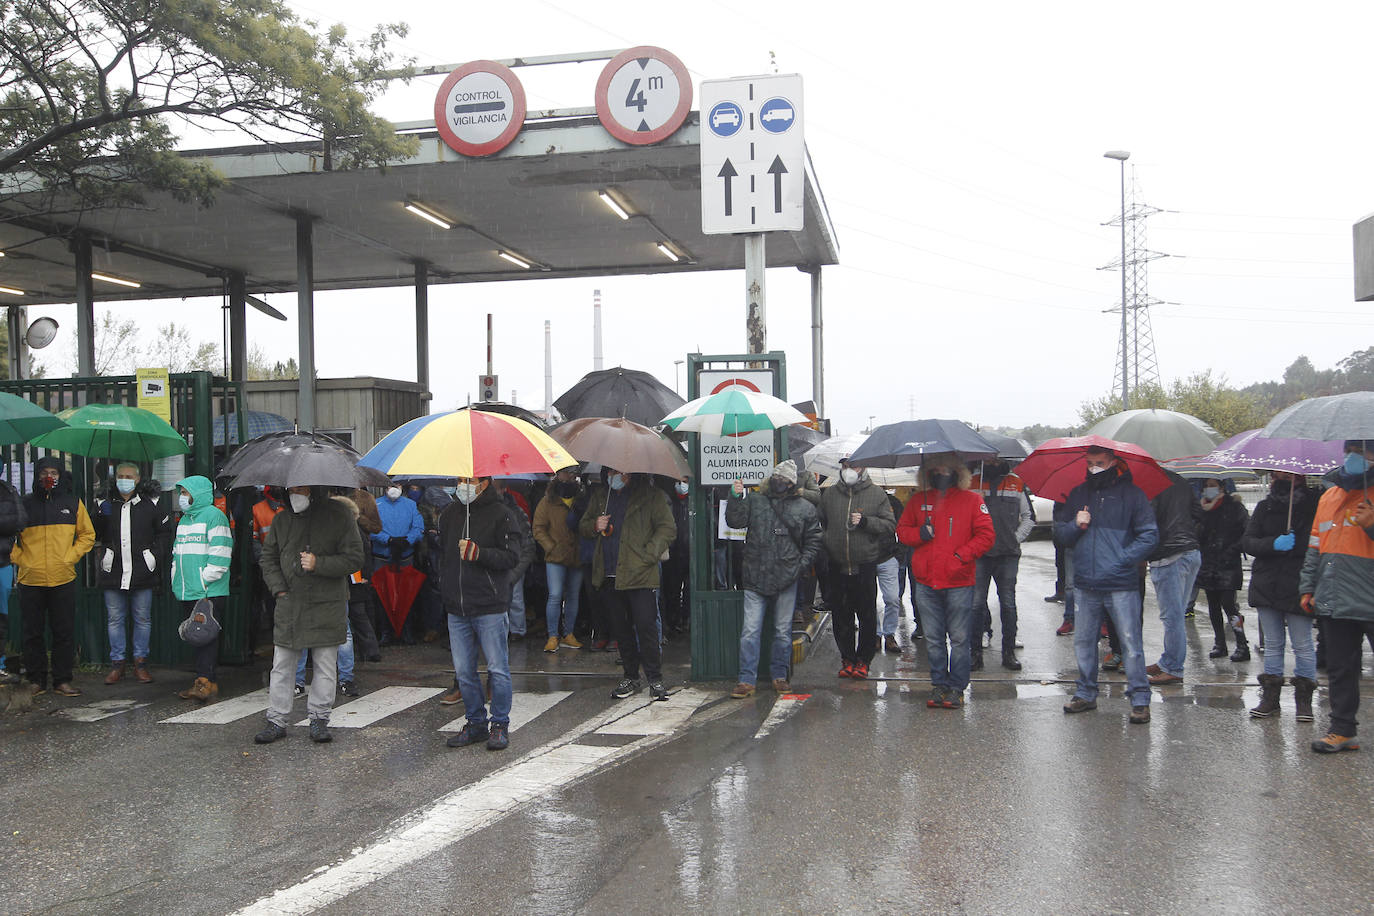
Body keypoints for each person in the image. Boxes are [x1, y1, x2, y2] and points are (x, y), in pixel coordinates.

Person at [1056, 446, 1159, 724]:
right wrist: (1076, 525)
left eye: (1099, 463)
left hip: (1120, 583)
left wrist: (1122, 560)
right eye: (1089, 463)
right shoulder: (1079, 494)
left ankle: (1140, 699)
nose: (1093, 468)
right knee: (1084, 641)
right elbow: (1061, 533)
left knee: (1130, 644)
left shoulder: (1133, 496)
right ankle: (1086, 694)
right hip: (1086, 583)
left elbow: (1150, 536)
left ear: (1114, 462)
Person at [255, 484, 364, 745]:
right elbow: (268, 558)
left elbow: (355, 558)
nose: (296, 493)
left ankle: (319, 718)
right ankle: (277, 720)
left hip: (327, 602)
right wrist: (279, 589)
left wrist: (319, 564)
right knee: (282, 665)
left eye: (301, 488)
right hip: (291, 602)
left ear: (314, 488)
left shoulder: (339, 515)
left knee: (325, 665)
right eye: (292, 487)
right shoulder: (282, 519)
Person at [898, 454, 995, 709]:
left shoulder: (973, 500)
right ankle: (939, 684)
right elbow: (902, 531)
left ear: (957, 471)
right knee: (933, 638)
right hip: (926, 582)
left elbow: (986, 536)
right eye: (936, 468)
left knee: (960, 639)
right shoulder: (918, 500)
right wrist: (919, 533)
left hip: (959, 581)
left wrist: (960, 556)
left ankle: (957, 687)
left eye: (946, 468)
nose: (941, 472)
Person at [724, 460, 822, 697]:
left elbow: (814, 539)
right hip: (756, 576)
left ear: (792, 484)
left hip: (786, 578)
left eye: (786, 480)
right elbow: (734, 521)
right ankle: (747, 679)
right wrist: (734, 497)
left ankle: (779, 676)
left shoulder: (804, 508)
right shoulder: (756, 500)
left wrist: (800, 566)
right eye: (778, 478)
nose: (781, 483)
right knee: (750, 631)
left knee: (781, 631)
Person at [439, 475, 522, 751]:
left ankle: (499, 724)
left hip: (489, 604)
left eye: (469, 480)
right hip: (457, 606)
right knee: (464, 672)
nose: (463, 485)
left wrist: (480, 553)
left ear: (484, 482)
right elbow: (443, 555)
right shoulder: (450, 514)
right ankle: (475, 722)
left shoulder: (503, 514)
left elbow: (512, 557)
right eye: (461, 479)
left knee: (497, 669)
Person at [1301, 440, 1374, 753]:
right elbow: (1315, 545)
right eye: (1350, 450)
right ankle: (1342, 730)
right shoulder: (1330, 495)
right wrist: (1307, 586)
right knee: (1341, 667)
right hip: (1335, 595)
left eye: (1363, 451)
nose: (1354, 457)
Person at [580, 466, 677, 700]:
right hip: (609, 574)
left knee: (646, 627)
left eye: (620, 471)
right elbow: (583, 526)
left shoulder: (651, 496)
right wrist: (595, 525)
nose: (615, 476)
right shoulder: (601, 496)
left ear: (631, 472)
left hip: (641, 575)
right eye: (611, 471)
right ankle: (631, 676)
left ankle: (655, 679)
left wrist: (649, 554)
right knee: (621, 630)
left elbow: (668, 528)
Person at [11, 457, 95, 697]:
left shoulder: (72, 503)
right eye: (45, 472)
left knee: (64, 632)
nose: (49, 476)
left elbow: (87, 535)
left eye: (54, 472)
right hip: (30, 579)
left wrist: (70, 557)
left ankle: (62, 680)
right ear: (37, 475)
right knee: (32, 633)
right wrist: (21, 559)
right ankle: (35, 679)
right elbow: (6, 537)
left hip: (63, 577)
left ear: (60, 475)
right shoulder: (24, 504)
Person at [1243, 471, 1320, 720]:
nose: (1282, 476)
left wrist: (1296, 545)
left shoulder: (1314, 506)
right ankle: (1270, 699)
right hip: (1267, 584)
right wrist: (1273, 544)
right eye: (1278, 473)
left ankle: (1304, 702)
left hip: (1299, 585)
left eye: (1288, 474)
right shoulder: (1265, 507)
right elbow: (1247, 542)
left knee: (1303, 645)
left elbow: (1317, 544)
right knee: (1273, 644)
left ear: (1300, 476)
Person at [817, 459, 896, 679]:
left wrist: (866, 522)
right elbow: (819, 521)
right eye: (844, 466)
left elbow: (889, 525)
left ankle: (863, 661)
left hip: (865, 565)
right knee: (841, 616)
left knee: (867, 615)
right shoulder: (830, 495)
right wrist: (827, 540)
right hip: (837, 564)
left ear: (863, 468)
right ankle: (847, 659)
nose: (849, 470)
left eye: (854, 466)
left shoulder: (877, 494)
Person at [94, 463, 172, 685]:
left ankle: (140, 663)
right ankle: (117, 664)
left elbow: (164, 533)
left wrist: (153, 556)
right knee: (115, 619)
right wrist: (101, 515)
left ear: (137, 480)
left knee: (142, 618)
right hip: (114, 571)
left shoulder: (151, 504)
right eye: (120, 476)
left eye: (128, 476)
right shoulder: (105, 503)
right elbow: (94, 532)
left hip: (142, 570)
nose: (124, 480)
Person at [170, 475, 232, 702]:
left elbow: (221, 554)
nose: (182, 497)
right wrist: (177, 577)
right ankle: (206, 682)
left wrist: (204, 581)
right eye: (182, 493)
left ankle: (204, 682)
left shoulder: (215, 516)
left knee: (206, 637)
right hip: (189, 589)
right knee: (198, 637)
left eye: (186, 493)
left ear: (199, 494)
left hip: (208, 591)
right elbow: (177, 553)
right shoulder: (185, 520)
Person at [967, 457, 1033, 671]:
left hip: (1008, 554)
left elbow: (1029, 517)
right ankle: (975, 653)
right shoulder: (972, 483)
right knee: (975, 605)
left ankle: (1008, 652)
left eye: (997, 458)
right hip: (980, 555)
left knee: (1008, 604)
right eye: (989, 458)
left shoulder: (1017, 483)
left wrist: (1015, 538)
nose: (993, 462)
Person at [1143, 470, 1203, 686]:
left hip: (1168, 555)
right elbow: (1198, 512)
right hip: (1190, 551)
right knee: (1176, 613)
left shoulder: (1148, 483)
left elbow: (1148, 522)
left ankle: (1173, 668)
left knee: (1172, 616)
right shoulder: (1179, 480)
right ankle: (1168, 660)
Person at [1196, 477, 1251, 662]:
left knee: (1229, 605)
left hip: (1228, 564)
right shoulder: (1202, 509)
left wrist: (1234, 548)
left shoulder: (1235, 507)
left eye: (1213, 486)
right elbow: (1197, 534)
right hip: (1208, 564)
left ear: (1222, 487)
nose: (1209, 489)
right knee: (1213, 606)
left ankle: (1242, 643)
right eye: (1206, 486)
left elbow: (1247, 532)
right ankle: (1220, 643)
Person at [533, 468, 585, 652]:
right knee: (555, 595)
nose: (569, 475)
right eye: (565, 472)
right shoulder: (548, 500)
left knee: (573, 595)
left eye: (572, 472)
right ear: (558, 474)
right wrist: (550, 546)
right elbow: (538, 527)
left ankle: (568, 633)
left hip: (576, 555)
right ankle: (552, 635)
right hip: (555, 557)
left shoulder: (581, 498)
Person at [372, 481, 424, 642]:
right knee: (382, 595)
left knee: (407, 593)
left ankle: (406, 630)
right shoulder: (376, 504)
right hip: (382, 556)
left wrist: (407, 541)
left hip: (405, 556)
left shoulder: (410, 505)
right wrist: (388, 540)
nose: (394, 488)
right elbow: (370, 528)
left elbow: (418, 528)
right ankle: (385, 632)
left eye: (398, 485)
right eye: (390, 484)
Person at [0, 472, 28, 683]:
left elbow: (19, 521)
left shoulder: (8, 490)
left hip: (2, 561)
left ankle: (0, 664)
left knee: (1, 616)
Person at [875, 488, 906, 654]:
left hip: (888, 558)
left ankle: (889, 634)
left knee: (893, 598)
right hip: (866, 557)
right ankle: (875, 634)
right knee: (868, 600)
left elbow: (903, 527)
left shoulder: (894, 503)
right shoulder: (860, 501)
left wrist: (899, 554)